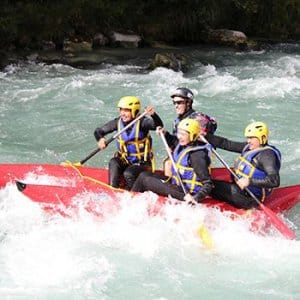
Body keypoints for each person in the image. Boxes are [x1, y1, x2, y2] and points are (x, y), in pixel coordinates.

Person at [131, 118, 213, 203]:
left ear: (192, 135)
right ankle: (132, 198)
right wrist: (164, 133)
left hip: (187, 193)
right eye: (179, 133)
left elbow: (208, 184)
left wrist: (195, 198)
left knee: (145, 180)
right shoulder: (184, 144)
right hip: (177, 184)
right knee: (143, 175)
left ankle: (130, 202)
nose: (179, 136)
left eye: (183, 134)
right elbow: (173, 140)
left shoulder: (196, 156)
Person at [206, 121, 281, 209]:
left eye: (252, 138)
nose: (248, 141)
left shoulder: (267, 156)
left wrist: (249, 181)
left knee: (208, 185)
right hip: (240, 190)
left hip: (250, 197)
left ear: (262, 138)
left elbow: (274, 180)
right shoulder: (249, 147)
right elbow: (226, 144)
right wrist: (205, 137)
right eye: (248, 138)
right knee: (210, 184)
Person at [94, 96, 163, 189]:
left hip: (142, 164)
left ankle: (134, 193)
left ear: (134, 111)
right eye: (121, 110)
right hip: (126, 160)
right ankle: (113, 189)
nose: (122, 113)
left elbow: (158, 125)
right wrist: (101, 139)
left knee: (129, 173)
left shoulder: (142, 122)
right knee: (113, 162)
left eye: (126, 110)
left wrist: (153, 115)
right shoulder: (118, 122)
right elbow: (98, 131)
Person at [163, 87, 217, 175]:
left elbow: (202, 145)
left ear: (188, 103)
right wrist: (165, 134)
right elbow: (176, 142)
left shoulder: (200, 120)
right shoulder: (177, 121)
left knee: (169, 163)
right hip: (183, 154)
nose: (176, 105)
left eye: (179, 102)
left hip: (195, 159)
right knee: (167, 162)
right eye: (174, 103)